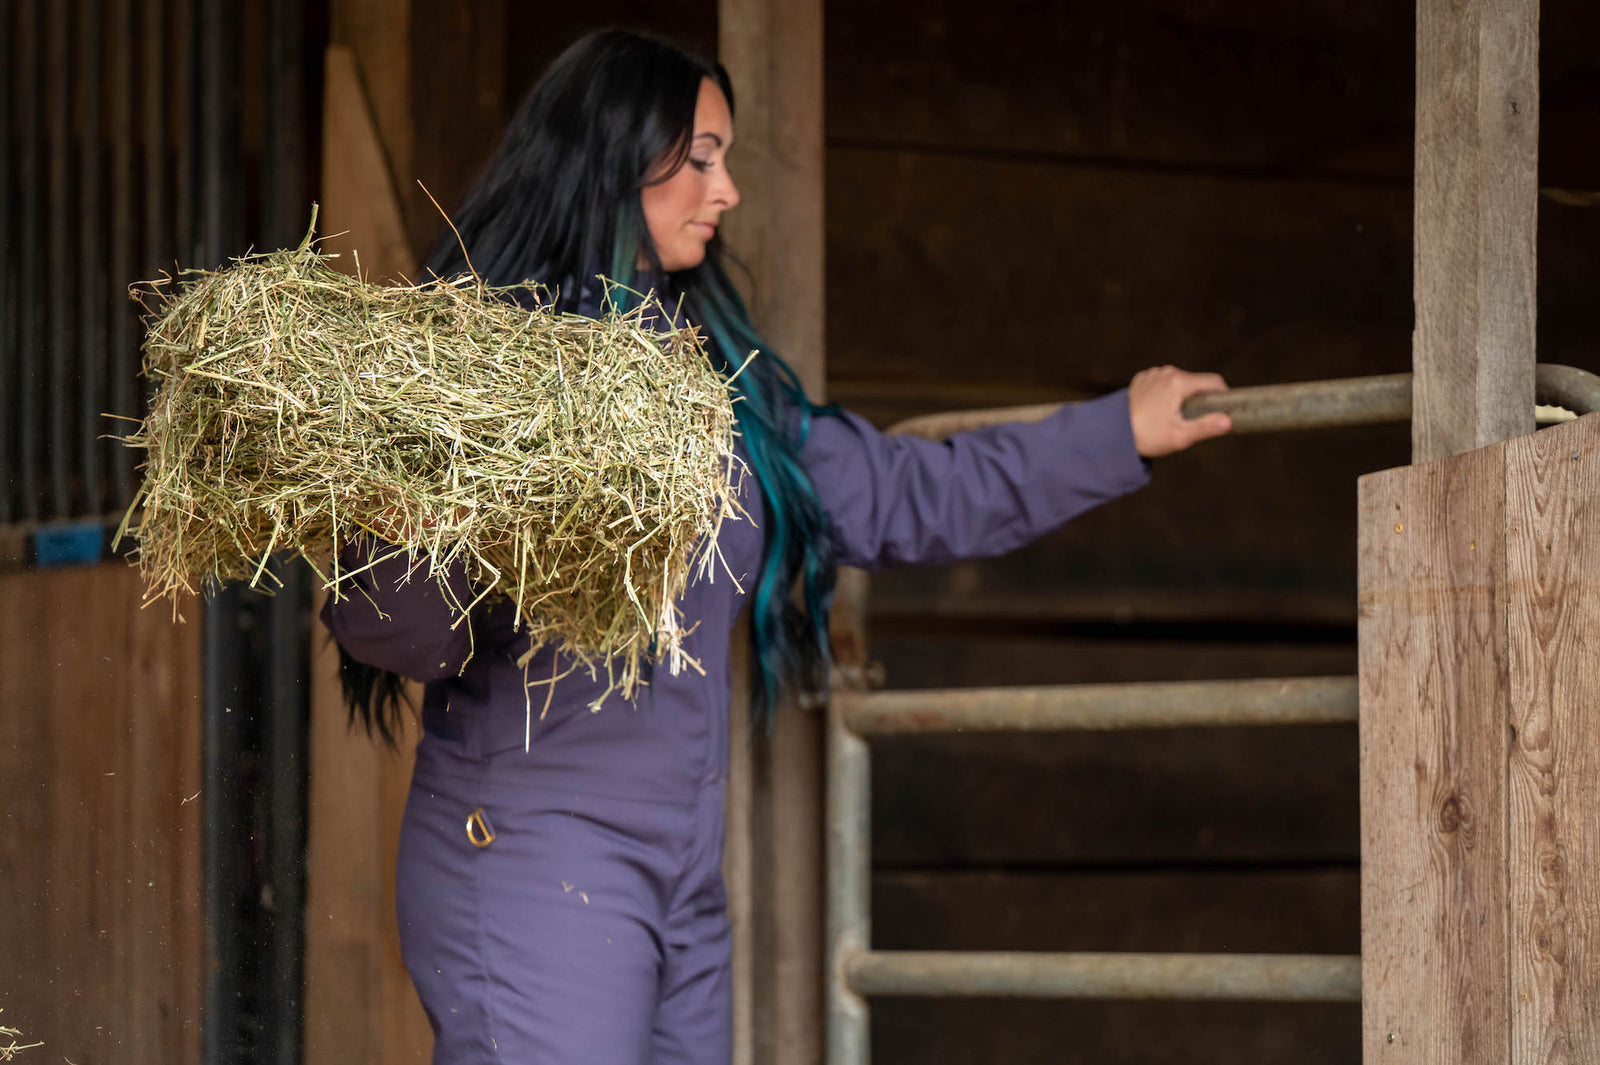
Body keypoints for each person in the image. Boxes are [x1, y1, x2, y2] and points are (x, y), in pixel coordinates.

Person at [321, 27, 1231, 1065]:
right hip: (531, 851)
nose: (728, 190)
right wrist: (407, 537)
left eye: (727, 157)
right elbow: (393, 631)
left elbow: (900, 494)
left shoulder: (717, 383)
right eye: (702, 157)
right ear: (615, 156)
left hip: (679, 869)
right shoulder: (484, 371)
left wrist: (1117, 433)